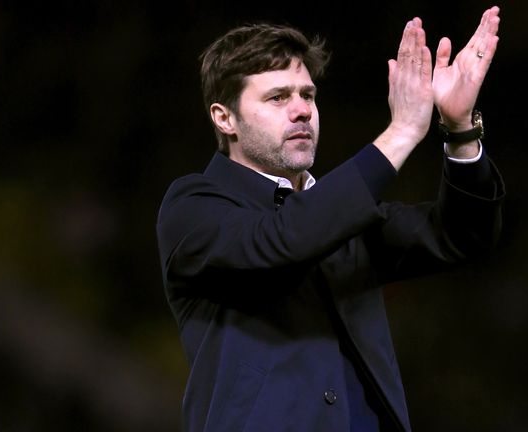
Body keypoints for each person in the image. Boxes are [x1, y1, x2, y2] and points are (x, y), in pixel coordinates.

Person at [156, 6, 504, 431]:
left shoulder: (343, 214)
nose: (301, 110)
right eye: (278, 97)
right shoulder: (193, 207)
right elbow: (283, 240)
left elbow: (463, 235)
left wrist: (461, 129)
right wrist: (402, 132)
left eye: (308, 95)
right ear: (224, 118)